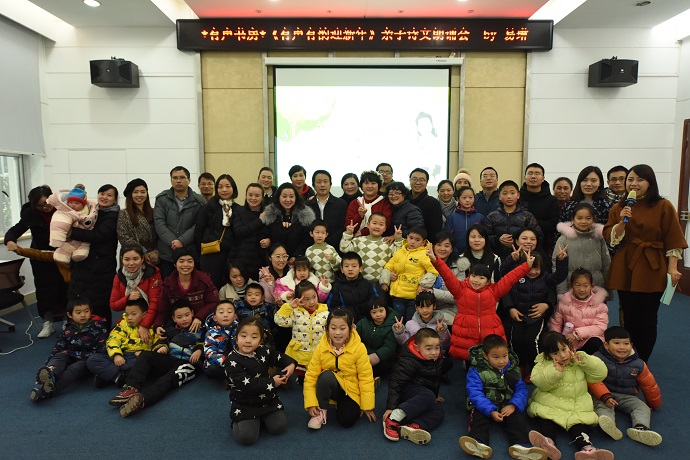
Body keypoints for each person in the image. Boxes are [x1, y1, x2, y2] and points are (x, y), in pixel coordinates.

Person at [603, 164, 687, 362]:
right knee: (629, 316)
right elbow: (611, 238)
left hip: (653, 264)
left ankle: (642, 362)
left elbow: (673, 238)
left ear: (650, 183)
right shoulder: (619, 207)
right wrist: (621, 223)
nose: (634, 183)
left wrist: (672, 268)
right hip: (627, 265)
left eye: (640, 179)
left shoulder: (663, 206)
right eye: (630, 179)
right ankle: (628, 359)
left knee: (648, 318)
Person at [428, 245, 534, 362]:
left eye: (481, 278)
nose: (476, 280)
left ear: (488, 281)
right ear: (469, 276)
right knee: (468, 364)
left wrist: (526, 266)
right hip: (465, 337)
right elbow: (447, 275)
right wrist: (436, 261)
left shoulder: (494, 291)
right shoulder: (460, 290)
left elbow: (510, 279)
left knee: (491, 364)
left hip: (489, 336)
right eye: (473, 276)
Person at [109, 299, 206, 417]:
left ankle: (143, 399)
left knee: (168, 378)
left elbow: (207, 341)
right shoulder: (170, 329)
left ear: (192, 313)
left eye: (187, 315)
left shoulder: (200, 328)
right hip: (170, 358)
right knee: (145, 355)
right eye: (179, 317)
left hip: (188, 362)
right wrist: (161, 347)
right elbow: (160, 340)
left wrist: (199, 350)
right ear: (174, 318)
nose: (184, 319)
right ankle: (132, 387)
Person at [459, 335, 550, 460]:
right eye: (496, 357)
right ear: (485, 356)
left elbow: (521, 389)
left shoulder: (513, 368)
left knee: (517, 419)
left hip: (507, 402)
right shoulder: (476, 370)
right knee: (478, 417)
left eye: (504, 356)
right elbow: (474, 393)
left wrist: (513, 405)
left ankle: (521, 445)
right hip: (485, 402)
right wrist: (490, 410)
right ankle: (478, 442)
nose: (501, 361)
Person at [527, 331, 613, 460]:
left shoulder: (579, 360)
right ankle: (548, 443)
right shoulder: (544, 364)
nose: (562, 356)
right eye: (555, 353)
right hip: (551, 403)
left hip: (576, 405)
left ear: (569, 346)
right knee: (546, 419)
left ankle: (587, 449)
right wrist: (554, 372)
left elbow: (600, 373)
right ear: (548, 355)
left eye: (564, 349)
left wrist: (586, 361)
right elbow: (540, 382)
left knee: (578, 426)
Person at [4, 185, 68, 338]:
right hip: (41, 257)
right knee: (44, 290)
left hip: (62, 256)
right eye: (40, 205)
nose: (44, 207)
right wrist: (10, 241)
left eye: (46, 203)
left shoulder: (63, 209)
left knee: (65, 288)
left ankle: (68, 321)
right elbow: (15, 230)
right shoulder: (31, 214)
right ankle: (48, 323)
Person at [225, 317, 296, 445]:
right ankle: (242, 421)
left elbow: (278, 356)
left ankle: (260, 419)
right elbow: (246, 384)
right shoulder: (232, 360)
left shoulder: (263, 350)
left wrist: (290, 363)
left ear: (260, 340)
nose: (248, 341)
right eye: (243, 336)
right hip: (245, 403)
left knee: (279, 428)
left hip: (267, 400)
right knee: (247, 438)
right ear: (236, 338)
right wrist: (272, 383)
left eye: (254, 337)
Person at [502, 247, 569, 379]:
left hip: (536, 317)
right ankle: (519, 364)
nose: (533, 272)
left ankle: (535, 366)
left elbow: (560, 276)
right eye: (530, 268)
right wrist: (510, 308)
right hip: (518, 315)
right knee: (515, 339)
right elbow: (503, 274)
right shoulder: (516, 276)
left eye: (536, 269)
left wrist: (561, 261)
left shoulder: (545, 278)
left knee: (532, 340)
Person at [303, 308, 376, 429]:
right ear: (327, 328)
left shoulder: (359, 348)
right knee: (326, 376)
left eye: (342, 328)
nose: (337, 333)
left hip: (350, 389)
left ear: (350, 328)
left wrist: (367, 405)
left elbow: (365, 377)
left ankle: (345, 404)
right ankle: (321, 411)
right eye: (333, 328)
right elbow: (311, 376)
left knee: (347, 421)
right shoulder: (321, 348)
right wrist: (311, 403)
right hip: (330, 386)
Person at [589, 326, 662, 446]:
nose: (622, 347)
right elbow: (593, 380)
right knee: (602, 407)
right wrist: (605, 396)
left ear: (631, 345)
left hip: (626, 395)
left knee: (641, 407)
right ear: (606, 345)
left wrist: (654, 404)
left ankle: (641, 428)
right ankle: (609, 425)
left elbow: (649, 385)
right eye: (617, 343)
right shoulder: (596, 359)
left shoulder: (639, 364)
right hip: (603, 394)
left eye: (626, 343)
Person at [30, 297, 107, 402]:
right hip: (69, 354)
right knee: (59, 356)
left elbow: (101, 351)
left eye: (86, 311)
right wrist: (47, 363)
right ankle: (50, 374)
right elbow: (58, 347)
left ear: (91, 311)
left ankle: (45, 391)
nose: (83, 315)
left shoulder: (98, 327)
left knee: (73, 370)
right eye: (78, 312)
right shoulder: (68, 328)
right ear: (70, 315)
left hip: (86, 359)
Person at [68, 184, 120, 329]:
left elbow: (98, 235)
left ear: (115, 199)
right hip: (83, 263)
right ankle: (80, 333)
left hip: (101, 266)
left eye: (109, 195)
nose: (105, 197)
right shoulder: (92, 211)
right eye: (102, 193)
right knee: (80, 300)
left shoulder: (113, 215)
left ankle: (102, 333)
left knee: (99, 303)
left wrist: (71, 232)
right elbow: (72, 205)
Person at [383, 328, 445, 446]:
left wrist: (434, 396)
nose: (434, 352)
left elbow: (434, 379)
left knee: (438, 411)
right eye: (429, 349)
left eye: (437, 348)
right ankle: (393, 418)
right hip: (406, 392)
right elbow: (396, 383)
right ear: (417, 348)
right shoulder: (408, 361)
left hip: (422, 394)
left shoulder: (437, 359)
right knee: (428, 396)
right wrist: (391, 407)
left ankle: (413, 426)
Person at [87, 298, 157, 388]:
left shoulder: (152, 327)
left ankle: (110, 376)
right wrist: (116, 354)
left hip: (137, 357)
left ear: (144, 315)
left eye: (134, 314)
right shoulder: (122, 325)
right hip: (122, 356)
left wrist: (145, 354)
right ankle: (119, 377)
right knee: (93, 359)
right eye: (127, 314)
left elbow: (157, 345)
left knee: (141, 365)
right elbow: (112, 339)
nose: (129, 318)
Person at [154, 166, 206, 279]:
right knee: (168, 285)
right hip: (167, 254)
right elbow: (159, 223)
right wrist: (173, 242)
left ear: (189, 180)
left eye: (182, 177)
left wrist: (182, 241)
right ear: (171, 180)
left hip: (189, 254)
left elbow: (199, 225)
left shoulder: (199, 201)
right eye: (175, 178)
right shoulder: (162, 199)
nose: (178, 181)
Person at [153, 246, 220, 333]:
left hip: (203, 323)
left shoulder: (204, 281)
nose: (185, 265)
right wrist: (158, 325)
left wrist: (199, 317)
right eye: (181, 261)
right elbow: (163, 310)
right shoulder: (168, 285)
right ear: (175, 264)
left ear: (194, 264)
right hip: (178, 326)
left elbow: (214, 302)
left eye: (190, 261)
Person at [274, 280, 330, 381]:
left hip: (319, 356)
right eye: (307, 299)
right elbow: (279, 321)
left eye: (314, 297)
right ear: (298, 299)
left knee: (316, 381)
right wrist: (289, 306)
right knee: (300, 382)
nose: (312, 302)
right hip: (299, 356)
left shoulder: (325, 313)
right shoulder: (295, 312)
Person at [381, 226, 439, 322]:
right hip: (397, 295)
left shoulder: (425, 254)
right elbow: (388, 266)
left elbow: (433, 271)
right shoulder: (399, 252)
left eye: (417, 240)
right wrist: (385, 281)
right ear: (406, 237)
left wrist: (423, 285)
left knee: (411, 320)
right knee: (397, 320)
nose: (412, 242)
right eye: (411, 238)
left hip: (413, 296)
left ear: (423, 242)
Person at [553, 203, 610, 295]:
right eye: (579, 218)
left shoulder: (599, 238)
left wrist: (608, 291)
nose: (583, 221)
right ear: (573, 219)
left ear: (593, 219)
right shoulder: (564, 239)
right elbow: (556, 266)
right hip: (571, 288)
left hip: (596, 287)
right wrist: (561, 293)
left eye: (588, 218)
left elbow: (606, 263)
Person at [195, 173, 240, 290]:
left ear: (233, 188)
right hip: (210, 255)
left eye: (228, 186)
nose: (224, 190)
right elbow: (198, 233)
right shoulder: (207, 207)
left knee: (229, 287)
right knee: (212, 288)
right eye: (220, 187)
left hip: (230, 256)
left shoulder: (238, 209)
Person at [109, 244, 162, 342]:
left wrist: (144, 325)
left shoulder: (152, 274)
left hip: (151, 319)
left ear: (142, 259)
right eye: (127, 259)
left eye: (135, 259)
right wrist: (128, 298)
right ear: (121, 259)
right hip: (130, 319)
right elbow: (114, 305)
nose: (131, 263)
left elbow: (155, 303)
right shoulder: (119, 276)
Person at [549, 269, 608, 355]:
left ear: (592, 286)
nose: (582, 289)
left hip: (588, 340)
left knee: (596, 343)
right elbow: (556, 323)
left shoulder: (599, 305)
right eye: (578, 285)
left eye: (585, 286)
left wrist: (577, 334)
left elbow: (600, 327)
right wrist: (559, 339)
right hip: (569, 342)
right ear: (571, 285)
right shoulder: (564, 302)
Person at [483, 180, 543, 260]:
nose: (509, 196)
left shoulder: (527, 216)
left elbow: (539, 236)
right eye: (505, 193)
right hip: (496, 258)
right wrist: (498, 240)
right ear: (499, 196)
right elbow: (484, 237)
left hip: (522, 258)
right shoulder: (492, 216)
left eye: (512, 193)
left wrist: (517, 242)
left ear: (518, 195)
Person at [340, 212, 402, 283]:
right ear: (368, 225)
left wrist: (398, 239)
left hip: (380, 283)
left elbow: (399, 255)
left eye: (381, 224)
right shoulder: (358, 241)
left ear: (385, 228)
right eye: (374, 223)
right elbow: (344, 248)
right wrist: (348, 233)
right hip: (359, 282)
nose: (377, 226)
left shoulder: (388, 242)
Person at [261, 182, 316, 258]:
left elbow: (307, 240)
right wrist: (268, 241)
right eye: (284, 196)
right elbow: (265, 234)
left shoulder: (304, 215)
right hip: (276, 259)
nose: (288, 200)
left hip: (297, 259)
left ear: (296, 197)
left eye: (291, 196)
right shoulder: (270, 214)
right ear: (278, 197)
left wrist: (296, 256)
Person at [47, 186, 98, 264]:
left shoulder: (88, 210)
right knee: (64, 249)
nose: (73, 205)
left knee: (83, 247)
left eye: (76, 203)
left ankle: (80, 251)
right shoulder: (65, 211)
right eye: (71, 202)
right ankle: (63, 253)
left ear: (83, 204)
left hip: (84, 237)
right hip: (68, 239)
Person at [520, 163, 560, 253]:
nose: (533, 176)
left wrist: (530, 223)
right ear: (525, 177)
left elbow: (554, 224)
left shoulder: (552, 200)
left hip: (544, 246)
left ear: (543, 178)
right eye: (530, 173)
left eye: (537, 173)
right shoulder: (517, 198)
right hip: (519, 245)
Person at [118, 178, 158, 266]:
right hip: (132, 255)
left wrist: (156, 252)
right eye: (136, 192)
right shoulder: (123, 213)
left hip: (154, 256)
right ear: (130, 194)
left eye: (143, 192)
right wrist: (142, 251)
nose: (139, 195)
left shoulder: (154, 212)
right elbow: (124, 237)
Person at [229, 182, 265, 279]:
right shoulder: (239, 211)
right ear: (246, 195)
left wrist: (268, 240)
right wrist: (259, 221)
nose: (253, 198)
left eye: (257, 196)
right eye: (250, 195)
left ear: (262, 198)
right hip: (241, 256)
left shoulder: (266, 213)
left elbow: (269, 233)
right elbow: (239, 231)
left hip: (260, 258)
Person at [330, 251, 378, 322]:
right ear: (342, 269)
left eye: (354, 266)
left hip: (367, 321)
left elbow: (376, 302)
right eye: (346, 266)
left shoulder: (367, 284)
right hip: (346, 322)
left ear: (361, 268)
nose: (350, 269)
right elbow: (333, 307)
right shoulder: (337, 286)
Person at [356, 297, 397, 378]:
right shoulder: (362, 323)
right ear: (369, 314)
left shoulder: (392, 325)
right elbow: (355, 338)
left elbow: (389, 347)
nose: (378, 315)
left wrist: (376, 357)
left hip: (381, 359)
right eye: (374, 312)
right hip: (363, 356)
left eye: (381, 311)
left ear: (386, 310)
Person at [428, 231, 464, 324]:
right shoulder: (424, 263)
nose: (442, 249)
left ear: (451, 249)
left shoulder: (459, 267)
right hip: (425, 306)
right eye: (439, 245)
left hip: (449, 309)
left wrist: (433, 292)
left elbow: (457, 296)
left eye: (447, 246)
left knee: (441, 320)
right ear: (433, 247)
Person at [306, 170, 347, 250]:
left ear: (330, 184)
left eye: (325, 181)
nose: (322, 185)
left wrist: (327, 244)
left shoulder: (341, 204)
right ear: (313, 185)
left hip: (335, 248)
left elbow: (342, 228)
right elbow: (305, 229)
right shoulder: (307, 206)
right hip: (311, 248)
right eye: (319, 182)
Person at [345, 170, 392, 236]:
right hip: (356, 239)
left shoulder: (384, 202)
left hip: (379, 239)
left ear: (379, 185)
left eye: (373, 183)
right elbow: (348, 225)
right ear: (361, 185)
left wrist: (362, 233)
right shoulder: (355, 202)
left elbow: (386, 223)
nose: (370, 186)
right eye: (366, 183)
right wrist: (360, 216)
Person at [203, 300, 238, 380]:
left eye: (229, 312)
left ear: (235, 317)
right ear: (215, 318)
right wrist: (230, 362)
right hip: (222, 363)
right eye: (221, 312)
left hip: (239, 360)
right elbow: (210, 354)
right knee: (212, 369)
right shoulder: (211, 333)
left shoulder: (241, 329)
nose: (225, 315)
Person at [445, 186, 484, 255]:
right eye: (464, 197)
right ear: (458, 199)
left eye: (470, 197)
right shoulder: (452, 217)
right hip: (455, 254)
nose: (467, 200)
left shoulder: (479, 217)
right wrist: (454, 252)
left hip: (475, 254)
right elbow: (448, 237)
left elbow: (483, 236)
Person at [409, 168, 443, 243]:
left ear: (427, 182)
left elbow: (436, 231)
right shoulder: (404, 200)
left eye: (422, 180)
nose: (418, 182)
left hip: (424, 245)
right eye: (414, 179)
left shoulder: (433, 203)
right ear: (410, 180)